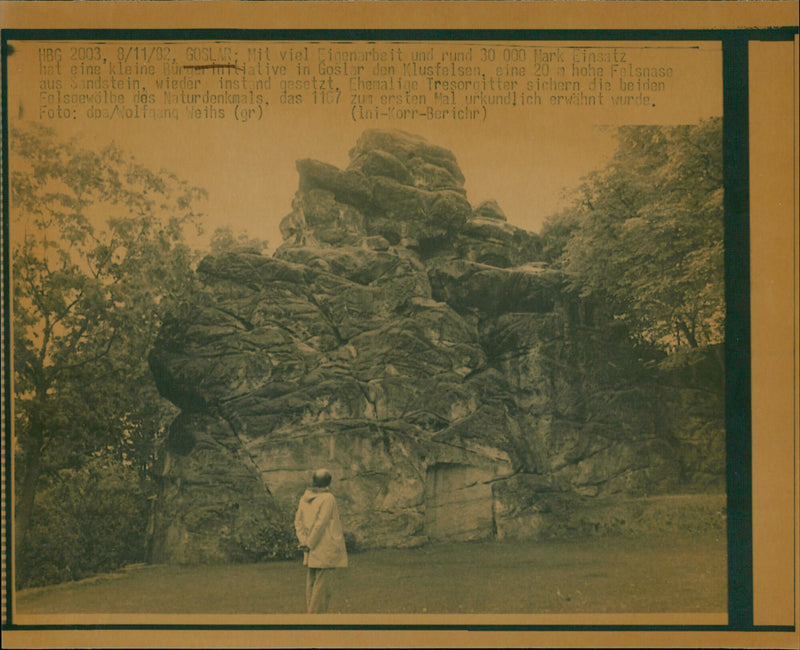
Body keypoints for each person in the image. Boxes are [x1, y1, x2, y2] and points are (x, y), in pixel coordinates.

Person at [294, 468, 348, 613]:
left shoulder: (304, 497)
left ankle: (311, 619)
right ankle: (316, 623)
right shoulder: (328, 498)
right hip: (324, 547)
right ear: (328, 483)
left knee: (312, 586)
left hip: (310, 548)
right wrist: (309, 543)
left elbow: (298, 521)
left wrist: (304, 542)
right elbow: (321, 523)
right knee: (322, 589)